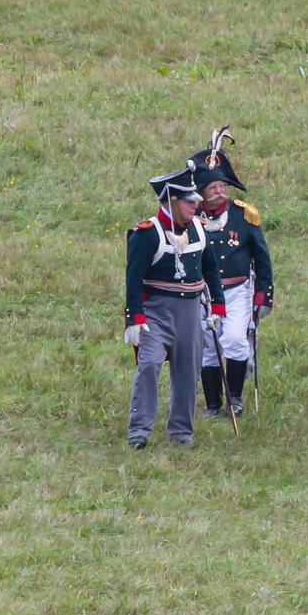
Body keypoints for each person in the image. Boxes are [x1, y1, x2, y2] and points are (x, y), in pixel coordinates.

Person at [126, 164, 209, 448]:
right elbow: (133, 278)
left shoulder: (199, 229)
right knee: (149, 364)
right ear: (172, 202)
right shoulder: (147, 233)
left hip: (190, 312)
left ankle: (181, 432)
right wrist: (134, 318)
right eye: (188, 202)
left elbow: (210, 269)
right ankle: (139, 430)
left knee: (189, 371)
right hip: (155, 314)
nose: (195, 206)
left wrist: (218, 308)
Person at [189, 141, 270, 422]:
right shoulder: (191, 217)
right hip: (204, 295)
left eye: (222, 185)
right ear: (200, 190)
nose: (219, 190)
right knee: (208, 348)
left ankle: (234, 399)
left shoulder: (243, 214)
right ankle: (213, 403)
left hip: (237, 291)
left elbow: (262, 258)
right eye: (212, 186)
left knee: (235, 339)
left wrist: (263, 296)